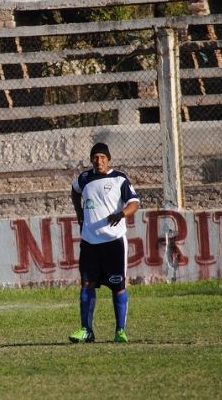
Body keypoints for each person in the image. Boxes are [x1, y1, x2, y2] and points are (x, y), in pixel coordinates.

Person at [69, 143, 139, 344]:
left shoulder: (119, 178)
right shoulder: (84, 178)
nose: (98, 161)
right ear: (91, 159)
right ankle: (86, 330)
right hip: (90, 241)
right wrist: (79, 212)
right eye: (95, 157)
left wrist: (121, 214)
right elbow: (74, 191)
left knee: (118, 286)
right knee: (87, 284)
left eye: (102, 157)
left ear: (108, 159)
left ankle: (120, 331)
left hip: (113, 241)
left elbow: (134, 203)